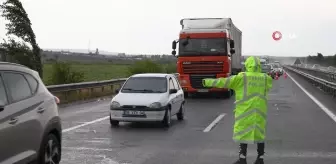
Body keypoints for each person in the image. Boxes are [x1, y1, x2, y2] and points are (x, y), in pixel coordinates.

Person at [202, 56, 273, 164]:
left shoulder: (242, 77)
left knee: (243, 134)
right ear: (259, 66)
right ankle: (260, 158)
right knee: (260, 135)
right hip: (260, 112)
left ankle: (242, 158)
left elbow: (224, 82)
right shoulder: (265, 78)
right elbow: (269, 84)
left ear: (247, 65)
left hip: (245, 112)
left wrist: (206, 82)